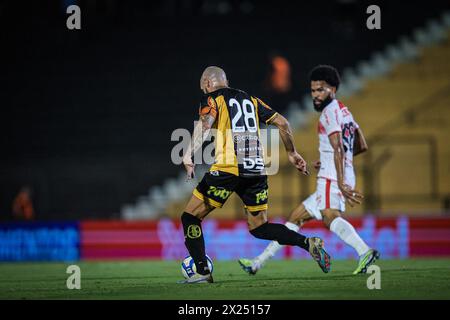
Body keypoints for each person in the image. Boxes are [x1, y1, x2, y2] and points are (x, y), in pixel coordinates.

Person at [179, 66, 331, 284]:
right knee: (259, 227)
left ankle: (202, 270)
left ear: (206, 84)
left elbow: (205, 125)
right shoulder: (251, 100)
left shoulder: (212, 99)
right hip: (257, 170)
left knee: (190, 217)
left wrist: (188, 154)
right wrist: (292, 153)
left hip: (228, 168)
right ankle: (308, 243)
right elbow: (283, 123)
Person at [238, 65, 379, 275]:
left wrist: (339, 179)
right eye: (313, 90)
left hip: (333, 177)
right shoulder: (344, 111)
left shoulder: (329, 113)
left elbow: (339, 146)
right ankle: (257, 262)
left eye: (321, 90)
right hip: (335, 171)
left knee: (330, 216)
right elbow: (361, 145)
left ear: (333, 89)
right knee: (296, 217)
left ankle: (365, 251)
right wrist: (331, 160)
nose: (316, 95)